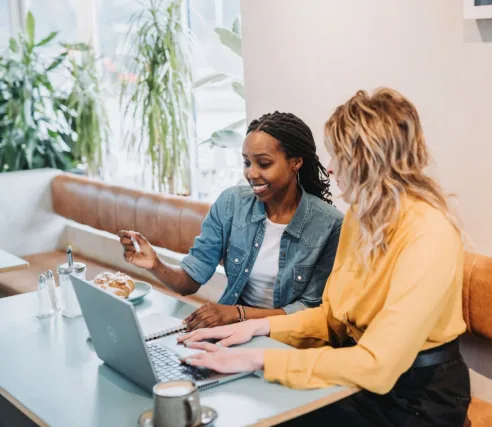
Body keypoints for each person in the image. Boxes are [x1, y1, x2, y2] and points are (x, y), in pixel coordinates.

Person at [176, 88, 471, 426]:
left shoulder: (429, 232)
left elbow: (377, 366)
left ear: (367, 161)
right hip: (360, 380)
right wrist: (256, 327)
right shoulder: (360, 218)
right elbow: (331, 318)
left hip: (420, 398)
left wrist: (259, 360)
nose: (330, 169)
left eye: (338, 157)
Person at [118, 112, 343, 331]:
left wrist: (238, 314)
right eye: (247, 163)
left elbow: (310, 310)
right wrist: (156, 265)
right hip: (231, 331)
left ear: (296, 163)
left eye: (263, 164)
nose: (251, 174)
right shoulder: (231, 204)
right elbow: (189, 282)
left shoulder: (330, 225)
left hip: (287, 339)